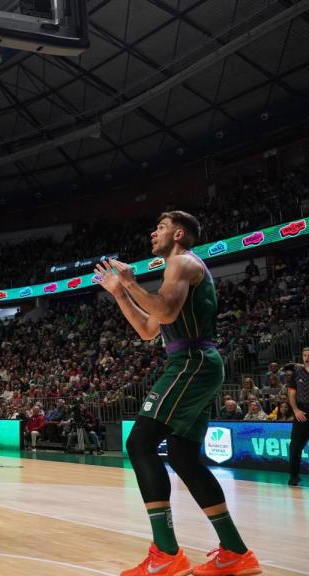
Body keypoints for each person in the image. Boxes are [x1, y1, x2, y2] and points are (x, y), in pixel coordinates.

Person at [95, 211, 259, 576]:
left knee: (140, 444)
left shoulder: (182, 262)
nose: (154, 232)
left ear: (179, 233)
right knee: (183, 456)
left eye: (161, 227)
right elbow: (147, 329)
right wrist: (121, 293)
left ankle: (167, 554)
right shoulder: (176, 269)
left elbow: (165, 313)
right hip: (197, 361)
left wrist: (133, 284)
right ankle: (235, 552)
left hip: (192, 360)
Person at [286, 349, 309, 487]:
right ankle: (294, 476)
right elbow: (291, 394)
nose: (307, 357)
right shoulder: (297, 373)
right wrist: (295, 410)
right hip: (302, 414)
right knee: (295, 447)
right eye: (305, 355)